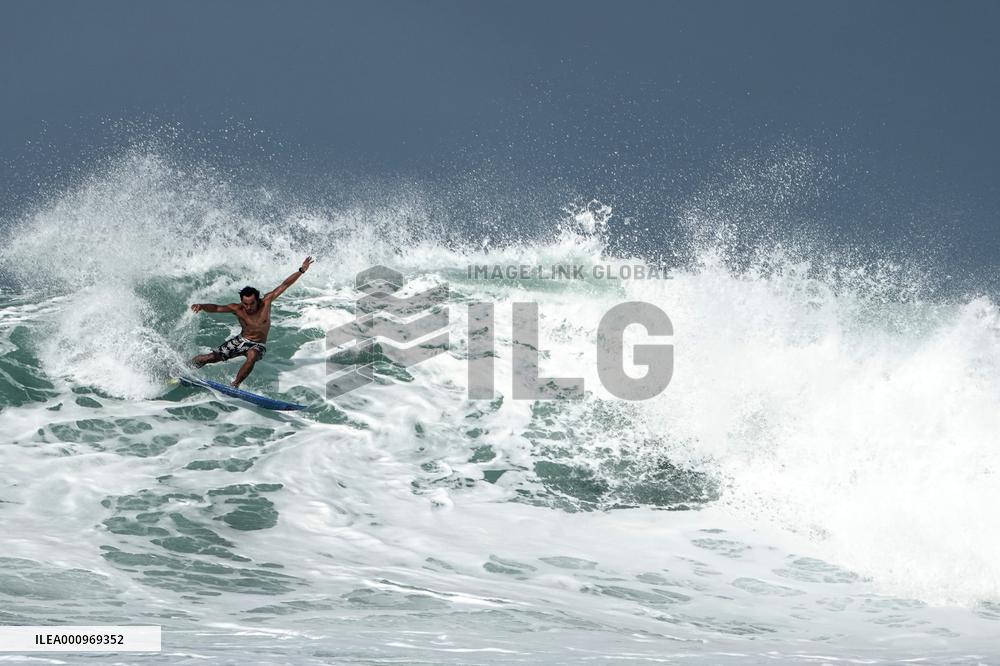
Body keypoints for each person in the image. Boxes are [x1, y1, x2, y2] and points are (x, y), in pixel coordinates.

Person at [190, 257, 314, 387]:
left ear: (257, 300)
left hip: (258, 344)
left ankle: (235, 384)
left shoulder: (266, 302)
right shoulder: (237, 309)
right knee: (209, 358)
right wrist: (202, 306)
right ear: (241, 301)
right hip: (241, 340)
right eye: (245, 304)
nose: (248, 307)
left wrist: (301, 270)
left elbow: (285, 285)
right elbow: (216, 308)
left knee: (252, 355)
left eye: (252, 303)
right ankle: (184, 368)